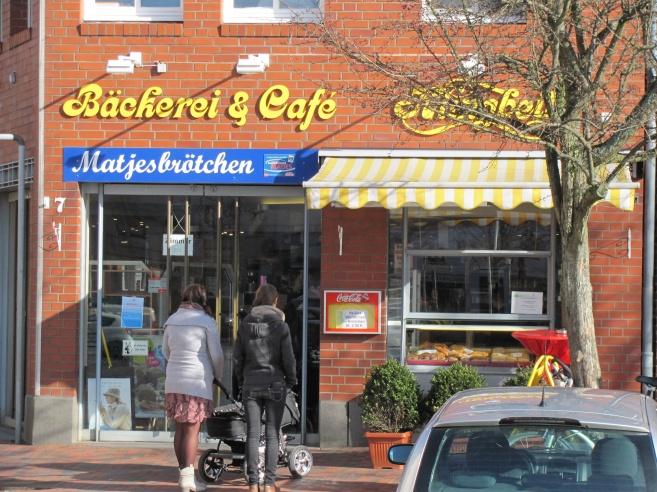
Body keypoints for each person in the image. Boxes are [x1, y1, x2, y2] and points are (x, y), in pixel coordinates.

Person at [234, 283, 297, 492]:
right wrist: (291, 380)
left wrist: (241, 381)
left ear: (257, 299)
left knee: (252, 434)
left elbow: (237, 359)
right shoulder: (281, 326)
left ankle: (253, 483)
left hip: (251, 384)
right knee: (272, 434)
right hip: (275, 383)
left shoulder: (244, 325)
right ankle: (269, 484)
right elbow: (288, 358)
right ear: (275, 301)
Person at [163, 284, 224, 492]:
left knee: (180, 429)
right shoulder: (206, 322)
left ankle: (184, 473)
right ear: (202, 300)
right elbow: (216, 355)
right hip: (196, 381)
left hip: (174, 381)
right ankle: (188, 480)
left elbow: (166, 351)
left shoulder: (171, 321)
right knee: (192, 430)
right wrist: (218, 375)